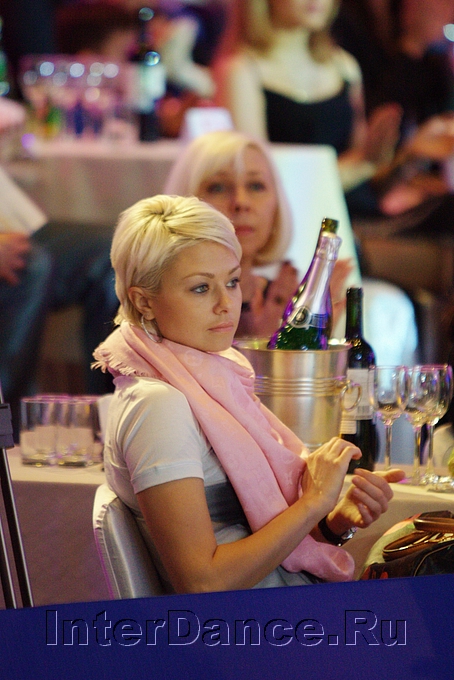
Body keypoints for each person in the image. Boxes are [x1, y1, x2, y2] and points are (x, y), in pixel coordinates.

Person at [93, 193, 404, 594]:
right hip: (249, 628)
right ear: (144, 302)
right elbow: (202, 582)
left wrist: (333, 522)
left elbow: (248, 540)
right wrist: (312, 503)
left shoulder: (214, 378)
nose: (226, 304)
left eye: (232, 282)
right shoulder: (158, 405)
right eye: (201, 288)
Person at [164, 129, 356, 338]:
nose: (241, 202)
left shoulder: (292, 304)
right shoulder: (165, 300)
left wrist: (312, 344)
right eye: (218, 188)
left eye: (256, 186)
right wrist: (266, 346)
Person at [214, 0, 402, 203]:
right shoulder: (241, 71)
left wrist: (404, 157)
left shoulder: (345, 67)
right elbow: (258, 184)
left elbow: (365, 169)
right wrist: (363, 165)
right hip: (302, 216)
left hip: (357, 211)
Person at [0, 166, 118, 437]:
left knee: (114, 252)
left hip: (12, 221)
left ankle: (111, 423)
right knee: (29, 266)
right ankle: (10, 434)